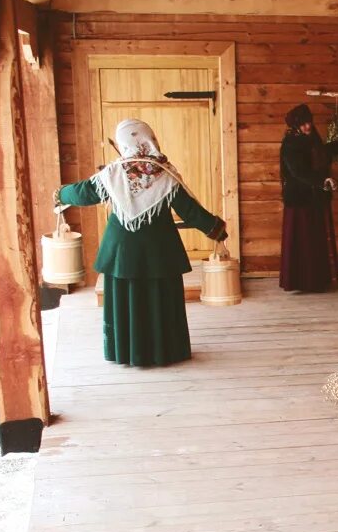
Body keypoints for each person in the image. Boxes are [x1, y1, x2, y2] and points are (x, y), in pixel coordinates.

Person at [55, 118, 226, 368]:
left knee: (126, 298)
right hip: (160, 250)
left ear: (124, 143)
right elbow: (190, 210)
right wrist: (216, 229)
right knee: (160, 298)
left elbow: (83, 192)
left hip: (122, 250)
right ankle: (165, 351)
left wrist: (59, 194)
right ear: (150, 139)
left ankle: (126, 352)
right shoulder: (166, 173)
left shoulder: (113, 173)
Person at [279, 104, 338, 293]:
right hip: (299, 198)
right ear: (296, 125)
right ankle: (300, 282)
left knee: (314, 239)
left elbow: (320, 155)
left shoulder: (312, 137)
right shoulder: (290, 144)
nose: (308, 126)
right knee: (301, 240)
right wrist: (322, 180)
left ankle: (317, 281)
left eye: (309, 122)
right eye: (303, 124)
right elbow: (298, 172)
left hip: (314, 198)